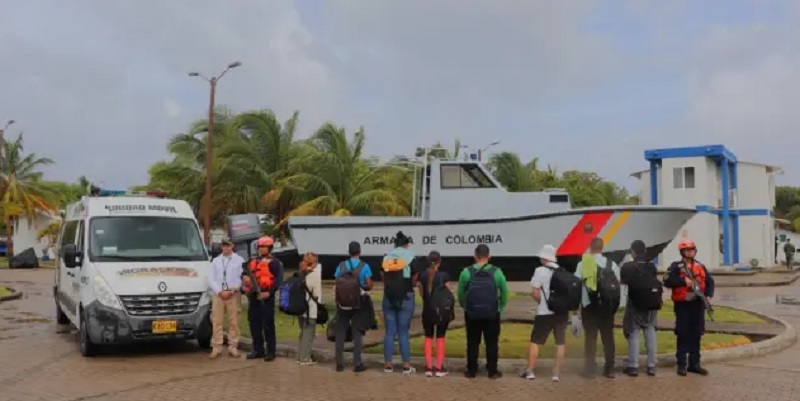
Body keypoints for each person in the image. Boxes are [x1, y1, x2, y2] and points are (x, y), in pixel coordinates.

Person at [663, 238, 715, 376]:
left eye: (692, 249)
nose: (690, 252)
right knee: (683, 333)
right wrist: (682, 281)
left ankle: (695, 363)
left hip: (698, 305)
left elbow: (710, 282)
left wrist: (709, 295)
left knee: (697, 333)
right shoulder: (675, 266)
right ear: (682, 252)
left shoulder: (700, 265)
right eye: (687, 250)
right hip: (683, 305)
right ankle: (681, 364)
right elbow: (667, 280)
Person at [457, 244, 509, 379]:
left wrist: (465, 307)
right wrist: (500, 307)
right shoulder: (497, 272)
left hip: (472, 313)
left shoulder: (466, 272)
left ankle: (471, 370)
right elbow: (504, 292)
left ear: (475, 256)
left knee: (472, 342)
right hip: (492, 313)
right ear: (489, 257)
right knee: (491, 343)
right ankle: (492, 371)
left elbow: (461, 293)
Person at [520, 244, 568, 382]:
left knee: (536, 341)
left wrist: (543, 303)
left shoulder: (539, 270)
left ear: (543, 258)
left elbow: (534, 291)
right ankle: (556, 373)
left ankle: (530, 371)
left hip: (544, 312)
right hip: (561, 313)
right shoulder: (562, 270)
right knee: (560, 342)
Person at [574, 237, 620, 378]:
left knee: (590, 337)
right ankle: (610, 368)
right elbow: (617, 286)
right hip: (607, 306)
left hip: (589, 306)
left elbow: (576, 285)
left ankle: (590, 369)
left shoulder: (583, 264)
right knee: (608, 337)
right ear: (602, 247)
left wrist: (576, 309)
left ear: (590, 247)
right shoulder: (612, 265)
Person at [241, 236, 284, 361]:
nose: (261, 249)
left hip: (266, 298)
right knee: (254, 324)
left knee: (268, 325)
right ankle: (257, 350)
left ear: (269, 248)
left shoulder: (275, 263)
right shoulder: (252, 261)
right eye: (260, 247)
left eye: (264, 247)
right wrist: (244, 277)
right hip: (253, 297)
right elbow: (244, 273)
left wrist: (269, 293)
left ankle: (271, 352)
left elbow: (278, 281)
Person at [620, 240, 659, 377]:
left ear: (633, 251)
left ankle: (633, 366)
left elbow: (623, 281)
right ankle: (651, 365)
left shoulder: (628, 266)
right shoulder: (651, 267)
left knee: (634, 333)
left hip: (634, 304)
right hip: (651, 305)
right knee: (650, 333)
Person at [381, 231, 417, 374]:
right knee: (403, 332)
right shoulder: (411, 257)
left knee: (390, 331)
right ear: (407, 244)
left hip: (388, 297)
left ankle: (388, 364)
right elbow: (415, 277)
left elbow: (382, 275)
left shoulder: (387, 257)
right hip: (406, 296)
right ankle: (406, 365)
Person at [334, 241, 373, 373]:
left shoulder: (341, 265)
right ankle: (357, 363)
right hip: (358, 303)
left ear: (348, 252)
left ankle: (339, 363)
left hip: (342, 304)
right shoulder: (364, 266)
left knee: (340, 332)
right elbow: (369, 284)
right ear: (359, 252)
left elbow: (337, 282)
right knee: (357, 332)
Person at [207, 238, 245, 359]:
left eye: (228, 245)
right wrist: (219, 291)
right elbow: (211, 279)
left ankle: (233, 346)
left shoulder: (239, 260)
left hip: (233, 293)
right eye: (224, 245)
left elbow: (242, 278)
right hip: (219, 294)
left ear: (232, 246)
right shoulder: (216, 261)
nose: (226, 248)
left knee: (234, 321)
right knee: (217, 321)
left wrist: (233, 290)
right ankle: (216, 347)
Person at [417, 251, 453, 377]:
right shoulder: (445, 276)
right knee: (440, 337)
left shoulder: (422, 275)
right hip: (441, 312)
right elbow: (448, 294)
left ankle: (428, 367)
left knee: (428, 337)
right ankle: (438, 367)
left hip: (427, 310)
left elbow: (421, 293)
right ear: (439, 261)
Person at [297, 252, 322, 365]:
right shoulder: (314, 275)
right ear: (314, 263)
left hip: (300, 308)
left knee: (302, 333)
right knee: (309, 334)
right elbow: (316, 294)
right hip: (310, 308)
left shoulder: (299, 274)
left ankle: (300, 356)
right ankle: (305, 358)